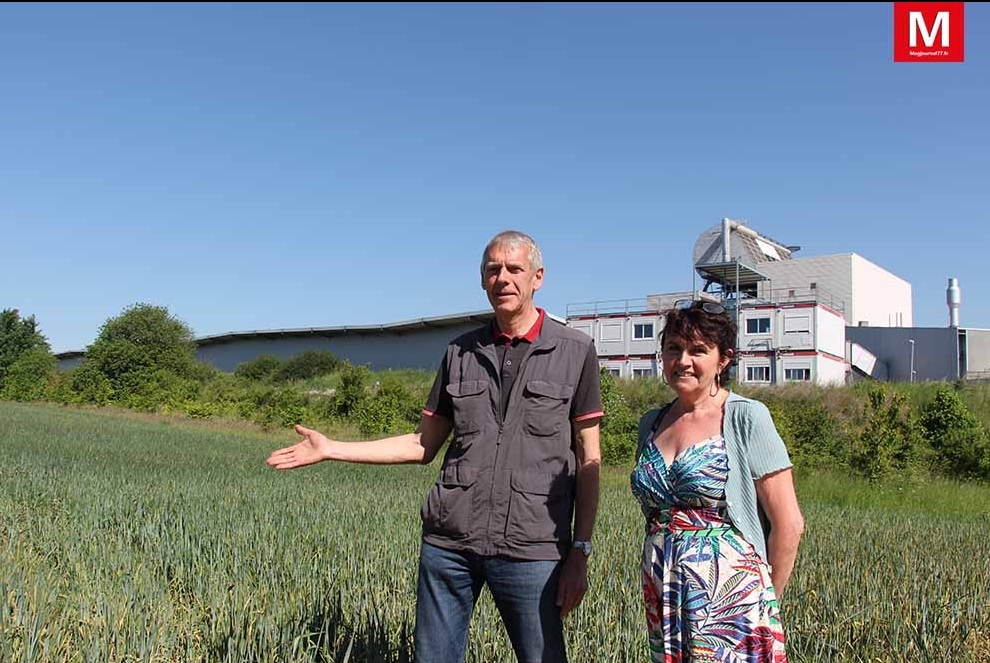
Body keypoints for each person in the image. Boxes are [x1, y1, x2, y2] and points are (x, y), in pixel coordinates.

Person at [266, 230, 604, 663]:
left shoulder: (575, 350)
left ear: (537, 277)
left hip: (533, 547)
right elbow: (422, 443)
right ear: (482, 279)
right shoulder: (460, 352)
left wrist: (580, 551)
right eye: (493, 270)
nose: (502, 278)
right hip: (449, 545)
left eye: (514, 269)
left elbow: (589, 456)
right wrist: (332, 447)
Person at [629, 299, 804, 662]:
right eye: (673, 348)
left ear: (723, 360)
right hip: (663, 588)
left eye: (698, 350)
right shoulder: (651, 423)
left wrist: (765, 599)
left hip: (731, 595)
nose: (683, 360)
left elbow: (789, 524)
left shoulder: (746, 417)